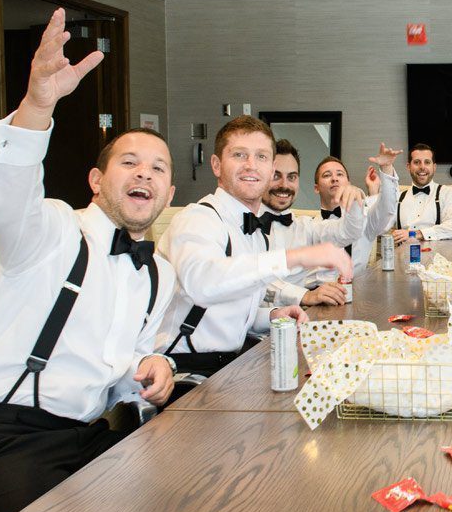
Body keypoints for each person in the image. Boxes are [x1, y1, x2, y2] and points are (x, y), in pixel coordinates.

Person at [0, 9, 177, 512]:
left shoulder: (159, 274)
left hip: (90, 437)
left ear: (169, 195)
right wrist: (36, 106)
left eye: (158, 168)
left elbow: (121, 364)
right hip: (1, 440)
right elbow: (3, 196)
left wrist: (152, 367)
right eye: (129, 162)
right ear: (97, 179)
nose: (144, 172)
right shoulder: (49, 231)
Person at [155, 116, 362, 376]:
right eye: (240, 155)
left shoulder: (253, 233)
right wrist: (295, 257)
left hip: (233, 363)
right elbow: (203, 285)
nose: (251, 166)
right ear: (217, 165)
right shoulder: (197, 219)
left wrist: (273, 315)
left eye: (261, 157)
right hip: (184, 371)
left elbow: (233, 309)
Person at [262, 140, 393, 307]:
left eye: (339, 174)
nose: (334, 179)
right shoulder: (310, 225)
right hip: (307, 303)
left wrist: (356, 198)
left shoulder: (312, 227)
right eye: (327, 175)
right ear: (316, 188)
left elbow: (358, 227)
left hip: (352, 296)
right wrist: (307, 296)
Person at [392, 143, 452, 243]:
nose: (422, 167)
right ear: (408, 166)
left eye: (427, 162)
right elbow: (379, 226)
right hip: (403, 256)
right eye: (417, 162)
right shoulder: (397, 197)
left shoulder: (449, 194)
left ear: (434, 167)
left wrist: (417, 234)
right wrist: (373, 191)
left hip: (439, 256)